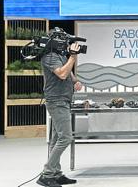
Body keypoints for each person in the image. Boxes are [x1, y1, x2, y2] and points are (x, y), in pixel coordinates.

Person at [37, 42, 83, 187]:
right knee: (65, 137)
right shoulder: (49, 56)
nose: (66, 44)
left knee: (56, 139)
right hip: (56, 101)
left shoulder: (60, 56)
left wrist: (75, 80)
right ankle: (47, 173)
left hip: (63, 100)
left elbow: (67, 72)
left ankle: (56, 173)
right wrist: (73, 56)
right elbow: (62, 74)